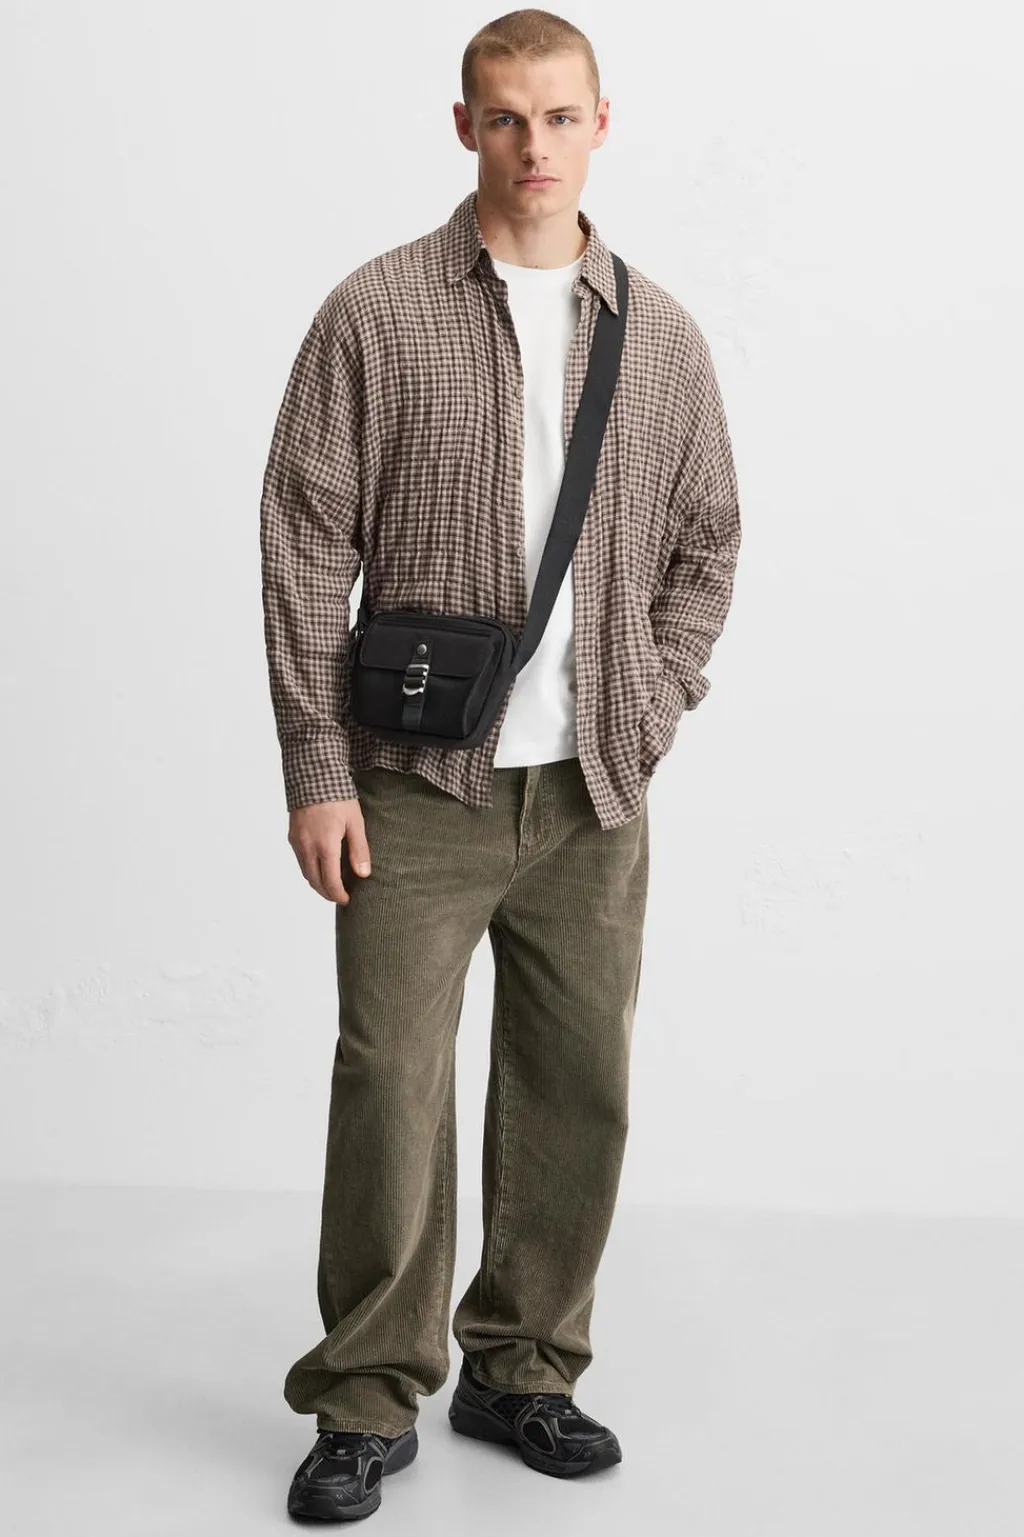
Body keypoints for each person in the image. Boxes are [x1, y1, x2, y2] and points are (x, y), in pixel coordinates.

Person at [260, 8, 741, 1522]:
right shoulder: (377, 310)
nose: (537, 145)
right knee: (390, 1085)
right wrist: (317, 768)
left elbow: (708, 542)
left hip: (593, 795)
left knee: (576, 1085)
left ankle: (524, 1367)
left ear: (604, 123)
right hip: (414, 787)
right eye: (508, 116)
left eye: (562, 115)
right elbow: (304, 542)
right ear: (464, 124)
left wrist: (651, 705)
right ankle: (363, 1397)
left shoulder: (660, 334)